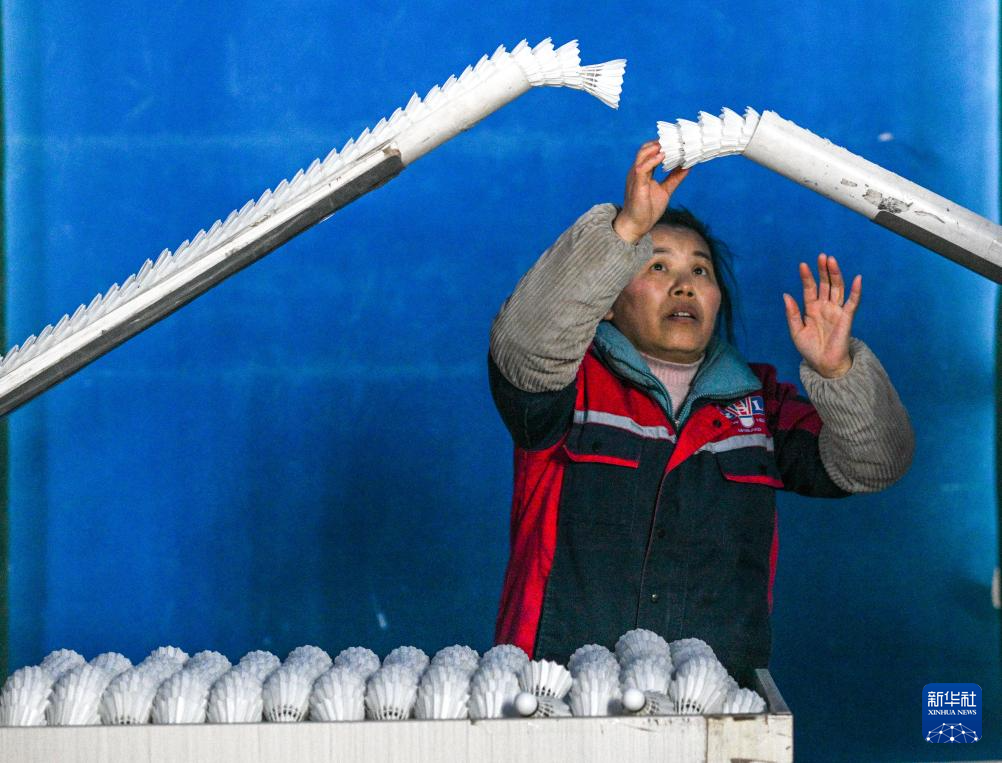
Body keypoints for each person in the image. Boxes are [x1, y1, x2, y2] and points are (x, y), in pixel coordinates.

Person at [487, 141, 914, 685]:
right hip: (553, 699)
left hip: (715, 706)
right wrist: (623, 231)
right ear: (609, 301)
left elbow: (875, 464)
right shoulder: (570, 385)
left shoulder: (760, 405)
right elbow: (524, 349)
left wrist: (838, 373)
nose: (684, 284)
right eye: (656, 265)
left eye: (700, 270)